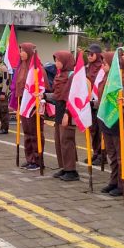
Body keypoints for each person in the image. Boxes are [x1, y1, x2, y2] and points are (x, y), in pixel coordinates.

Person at [100, 51, 124, 197]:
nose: (102, 66)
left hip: (119, 123)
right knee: (112, 156)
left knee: (122, 157)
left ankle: (123, 185)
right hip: (108, 122)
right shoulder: (107, 79)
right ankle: (113, 181)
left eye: (105, 63)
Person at [49, 50, 79, 181]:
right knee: (59, 141)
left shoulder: (72, 75)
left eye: (59, 60)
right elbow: (57, 95)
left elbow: (72, 96)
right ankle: (64, 167)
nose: (56, 63)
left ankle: (71, 170)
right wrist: (44, 96)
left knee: (67, 140)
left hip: (68, 111)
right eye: (55, 60)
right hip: (59, 110)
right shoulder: (59, 75)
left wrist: (68, 112)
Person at [16, 42, 45, 170]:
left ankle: (37, 160)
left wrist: (36, 103)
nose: (20, 53)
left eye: (22, 50)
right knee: (27, 133)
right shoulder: (21, 66)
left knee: (35, 132)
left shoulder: (37, 68)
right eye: (20, 50)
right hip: (23, 103)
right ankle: (29, 158)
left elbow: (43, 87)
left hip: (33, 104)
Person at [85, 44, 103, 162]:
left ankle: (102, 154)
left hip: (100, 103)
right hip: (89, 103)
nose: (89, 56)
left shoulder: (102, 68)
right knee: (93, 129)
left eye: (91, 54)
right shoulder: (87, 68)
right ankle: (96, 152)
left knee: (100, 129)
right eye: (88, 54)